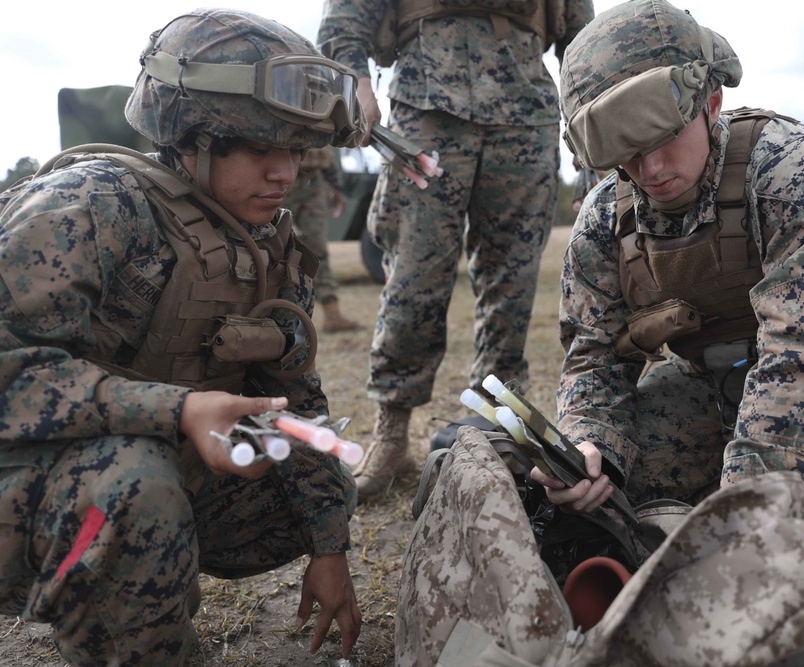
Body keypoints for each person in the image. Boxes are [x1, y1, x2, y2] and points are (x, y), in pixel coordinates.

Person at [532, 0, 804, 642]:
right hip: (725, 391)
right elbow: (594, 363)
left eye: (661, 141)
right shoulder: (605, 220)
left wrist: (740, 532)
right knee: (615, 487)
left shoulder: (798, 172)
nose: (649, 171)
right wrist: (592, 447)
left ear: (709, 104)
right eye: (626, 155)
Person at [0, 9, 367, 665]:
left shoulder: (264, 245)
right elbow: (10, 376)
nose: (284, 172)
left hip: (128, 482)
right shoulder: (86, 206)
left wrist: (329, 546)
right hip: (33, 504)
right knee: (136, 486)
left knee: (301, 470)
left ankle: (138, 581)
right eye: (260, 149)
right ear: (193, 135)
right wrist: (178, 409)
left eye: (294, 150)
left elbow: (295, 402)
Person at [317, 0, 595, 501]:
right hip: (427, 110)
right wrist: (356, 83)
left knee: (511, 285)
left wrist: (587, 124)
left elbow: (581, 36)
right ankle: (394, 435)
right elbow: (347, 15)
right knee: (414, 280)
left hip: (525, 116)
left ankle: (499, 431)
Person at [285, 145, 363, 333]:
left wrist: (335, 186)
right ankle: (280, 317)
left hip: (313, 182)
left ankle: (332, 314)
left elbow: (324, 144)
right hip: (282, 176)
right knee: (278, 246)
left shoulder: (321, 114)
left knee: (317, 250)